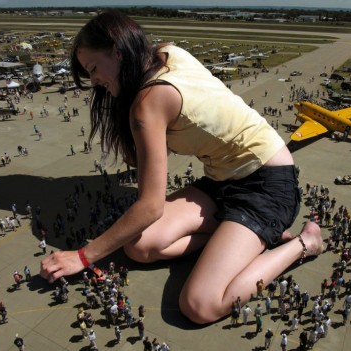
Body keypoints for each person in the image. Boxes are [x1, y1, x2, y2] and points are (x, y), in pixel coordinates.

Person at [40, 10, 323, 324]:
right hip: (222, 180)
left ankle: (304, 243)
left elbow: (149, 207)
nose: (93, 81)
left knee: (200, 305)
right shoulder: (167, 53)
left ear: (118, 52)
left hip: (268, 187)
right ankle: (240, 234)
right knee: (139, 246)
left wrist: (83, 256)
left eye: (93, 68)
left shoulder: (148, 104)